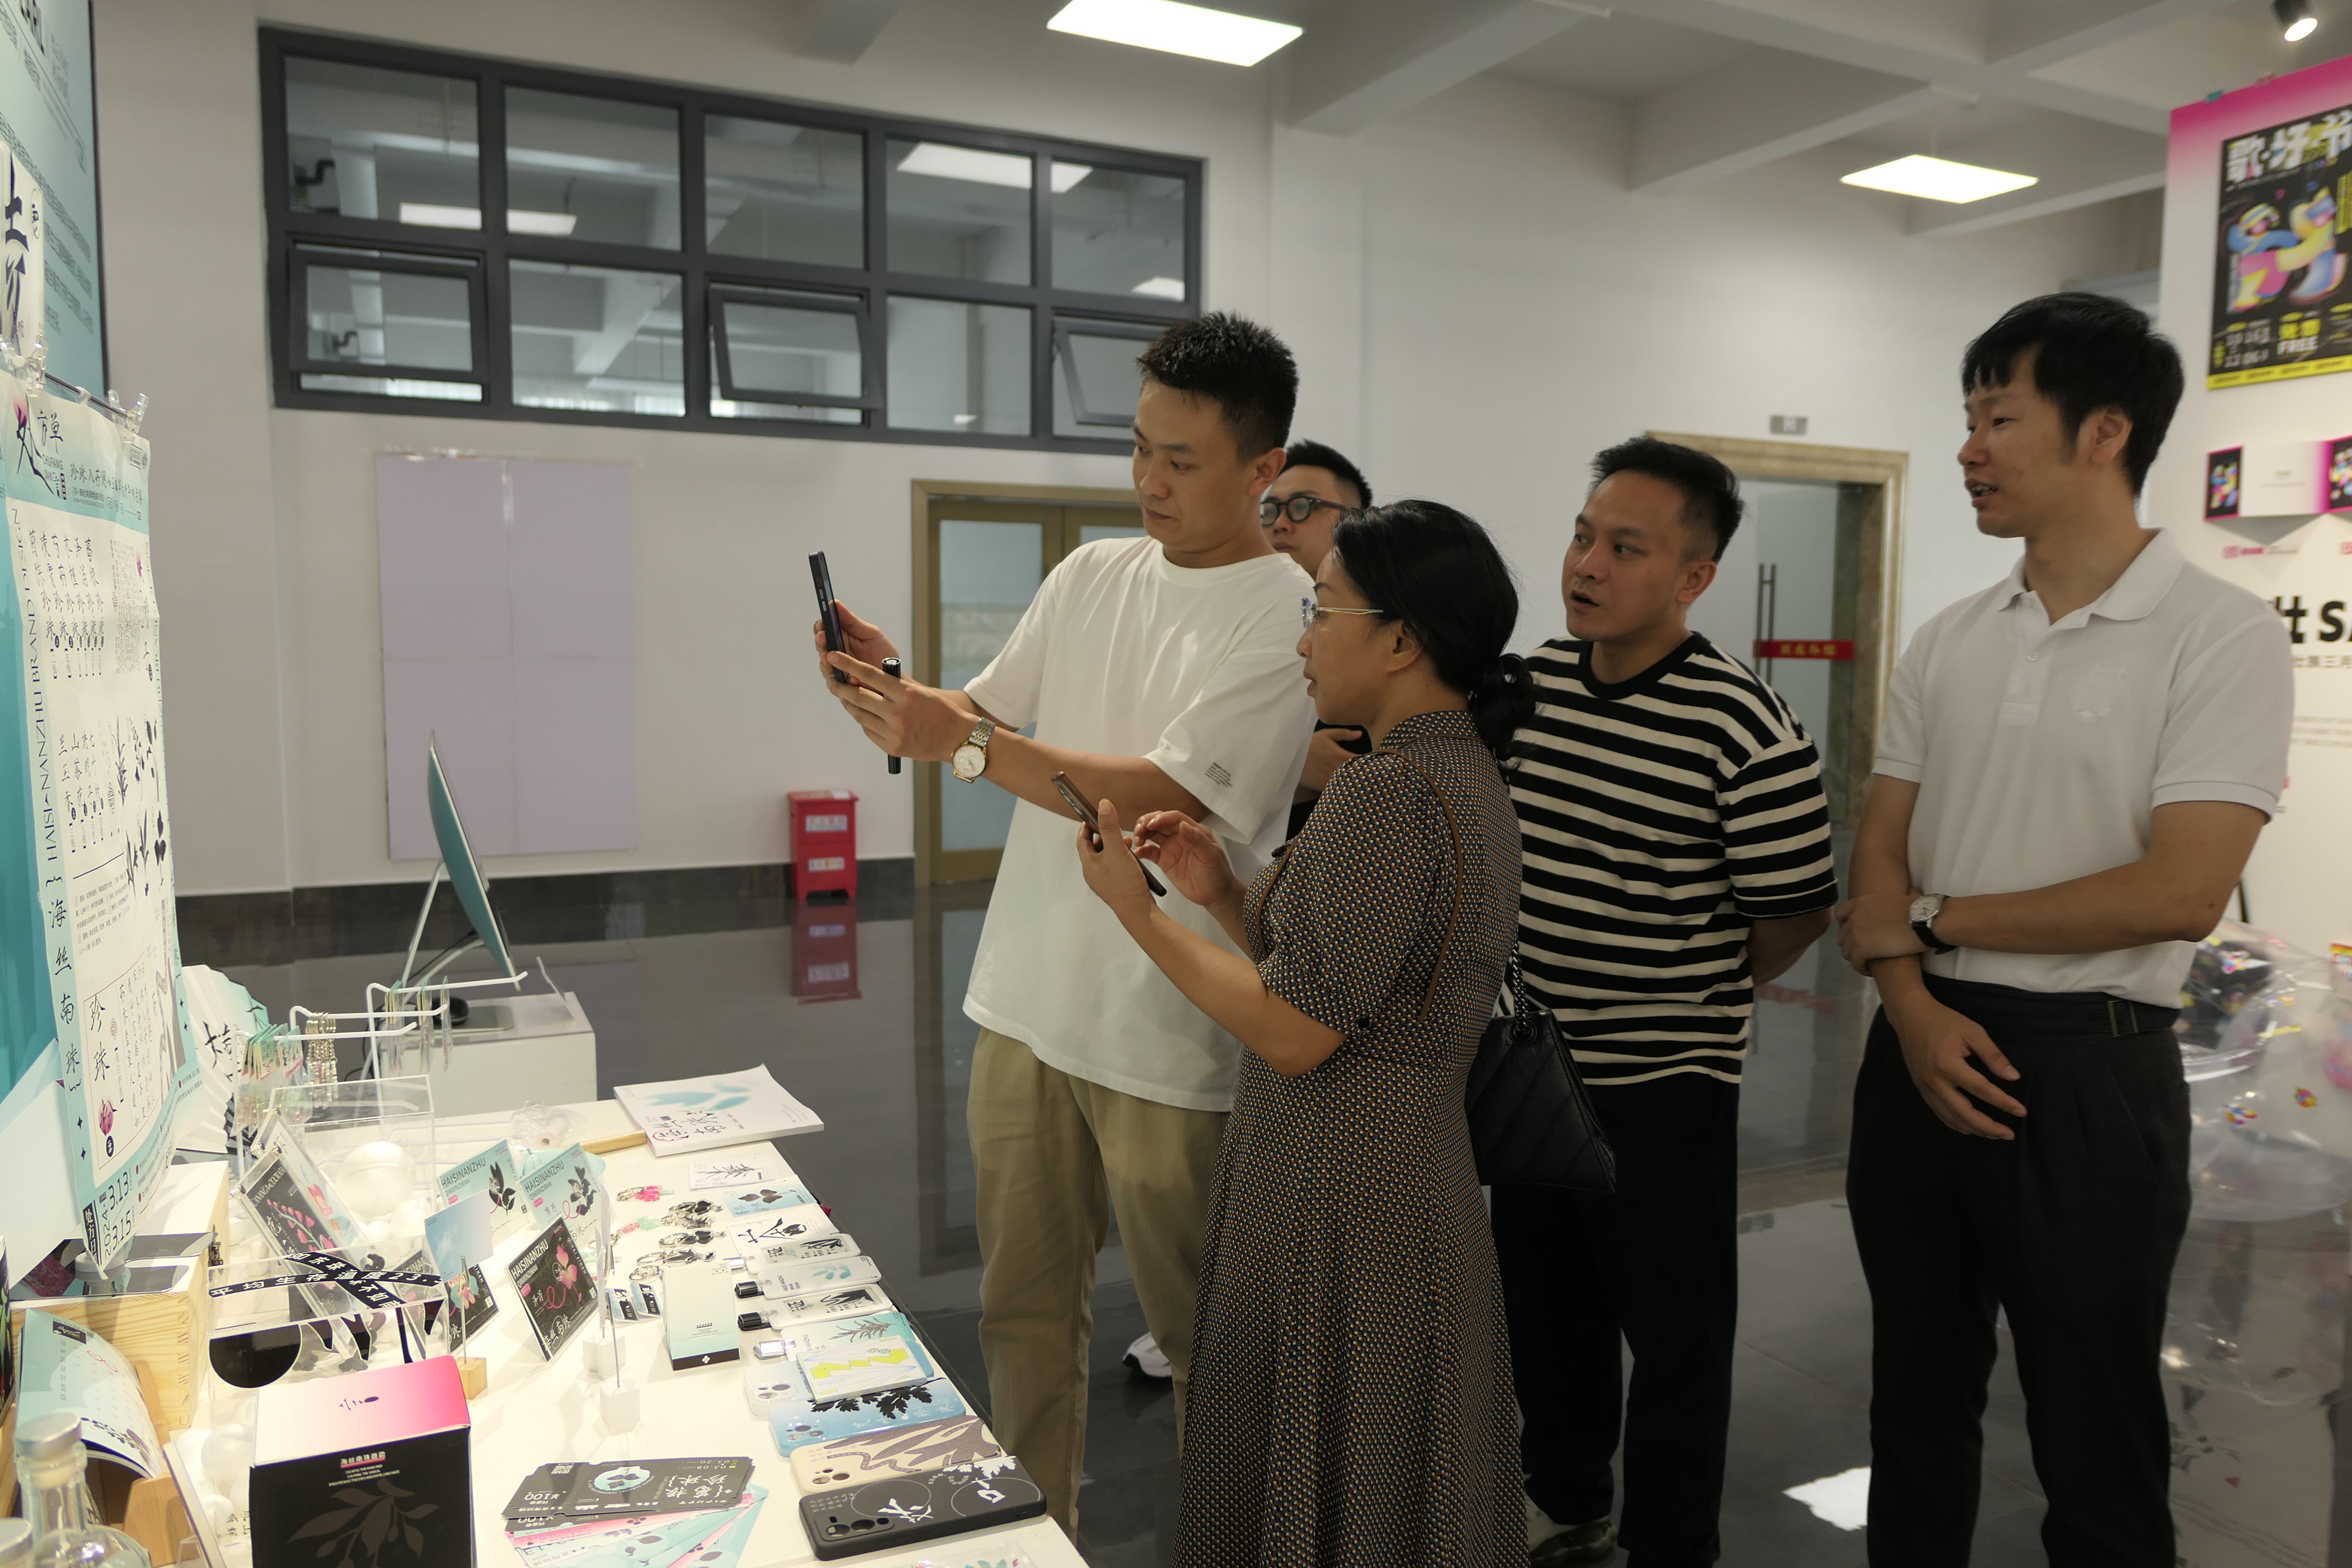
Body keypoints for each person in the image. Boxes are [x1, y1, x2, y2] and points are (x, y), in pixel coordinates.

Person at [815, 312, 1316, 1533]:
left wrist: (960, 741)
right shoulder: (1093, 573)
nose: (1150, 480)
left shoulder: (1284, 611)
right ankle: (1028, 1545)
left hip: (1169, 1024)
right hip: (1028, 1003)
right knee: (1021, 1318)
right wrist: (898, 691)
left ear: (1262, 468)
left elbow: (1160, 795)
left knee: (1205, 1342)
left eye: (1182, 460)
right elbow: (987, 720)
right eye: (1139, 448)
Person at [1833, 293, 2291, 1567]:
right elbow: (1879, 844)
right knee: (1912, 1407)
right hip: (1918, 1049)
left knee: (2095, 1436)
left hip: (2089, 1067)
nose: (1968, 448)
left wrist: (1925, 922)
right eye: (1966, 419)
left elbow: (2178, 890)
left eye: (1997, 419)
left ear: (2102, 432)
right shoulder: (1949, 638)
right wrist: (1914, 1009)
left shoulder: (2219, 634)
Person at [1074, 500, 1534, 1567]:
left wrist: (1137, 913)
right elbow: (1357, 979)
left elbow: (1295, 1032)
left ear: (1401, 639)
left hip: (1340, 1182)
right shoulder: (1458, 772)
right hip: (1406, 1172)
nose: (1302, 642)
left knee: (1326, 1458)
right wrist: (1222, 893)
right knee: (1389, 1467)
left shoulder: (1388, 790)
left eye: (1321, 610)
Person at [1495, 437, 1838, 1567]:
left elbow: (1794, 912)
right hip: (1532, 1066)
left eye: (1625, 548)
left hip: (1665, 1085)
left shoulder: (1746, 729)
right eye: (1583, 536)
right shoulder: (1533, 687)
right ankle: (1565, 1496)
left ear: (1695, 576)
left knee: (1676, 1333)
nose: (1587, 564)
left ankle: (1672, 1542)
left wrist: (1688, 983)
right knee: (1546, 1306)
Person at [1263, 440, 1377, 841]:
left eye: (1302, 506)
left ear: (1355, 521)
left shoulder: (1374, 629)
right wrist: (1292, 769)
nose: (1280, 524)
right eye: (1270, 509)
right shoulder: (1252, 618)